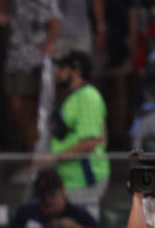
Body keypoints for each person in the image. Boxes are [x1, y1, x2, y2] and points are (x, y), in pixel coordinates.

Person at [41, 51, 109, 204]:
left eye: (62, 68)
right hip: (70, 179)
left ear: (76, 71)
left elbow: (91, 142)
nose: (58, 72)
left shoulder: (88, 97)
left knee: (84, 226)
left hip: (85, 178)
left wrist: (54, 158)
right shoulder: (73, 96)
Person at [0, 0, 61, 151]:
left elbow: (55, 19)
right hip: (14, 56)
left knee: (29, 107)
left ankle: (34, 154)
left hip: (34, 58)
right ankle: (30, 149)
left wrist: (50, 45)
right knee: (16, 105)